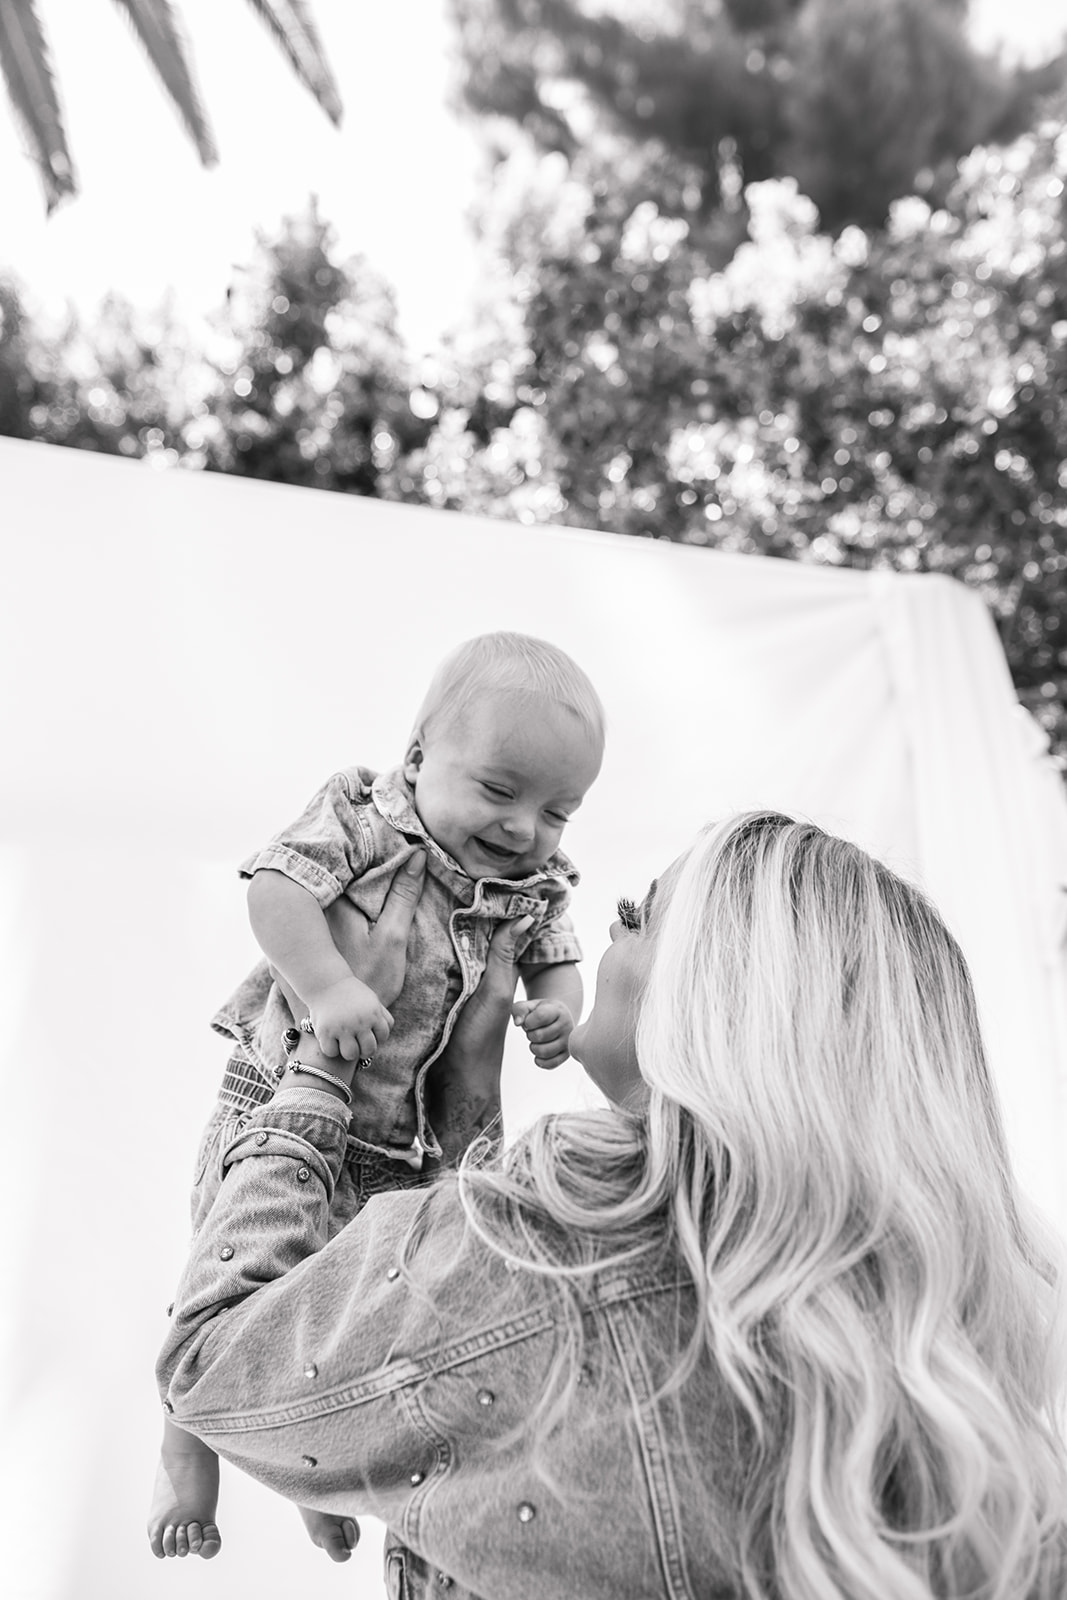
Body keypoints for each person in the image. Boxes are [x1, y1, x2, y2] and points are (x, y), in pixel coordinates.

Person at [156, 812, 1067, 1599]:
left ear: (714, 995)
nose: (605, 939)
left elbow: (213, 1361)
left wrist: (320, 1061)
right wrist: (470, 1093)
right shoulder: (937, 1371)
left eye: (638, 915)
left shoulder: (556, 1244)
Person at [147, 630, 605, 1563]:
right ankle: (182, 1450)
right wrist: (326, 986)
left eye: (557, 812)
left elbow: (561, 964)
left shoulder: (534, 885)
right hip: (280, 1092)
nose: (525, 831)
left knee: (334, 1313)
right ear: (416, 759)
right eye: (499, 791)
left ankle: (315, 1473)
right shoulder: (362, 814)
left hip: (400, 1142)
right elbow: (276, 889)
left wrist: (560, 1018)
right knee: (230, 1279)